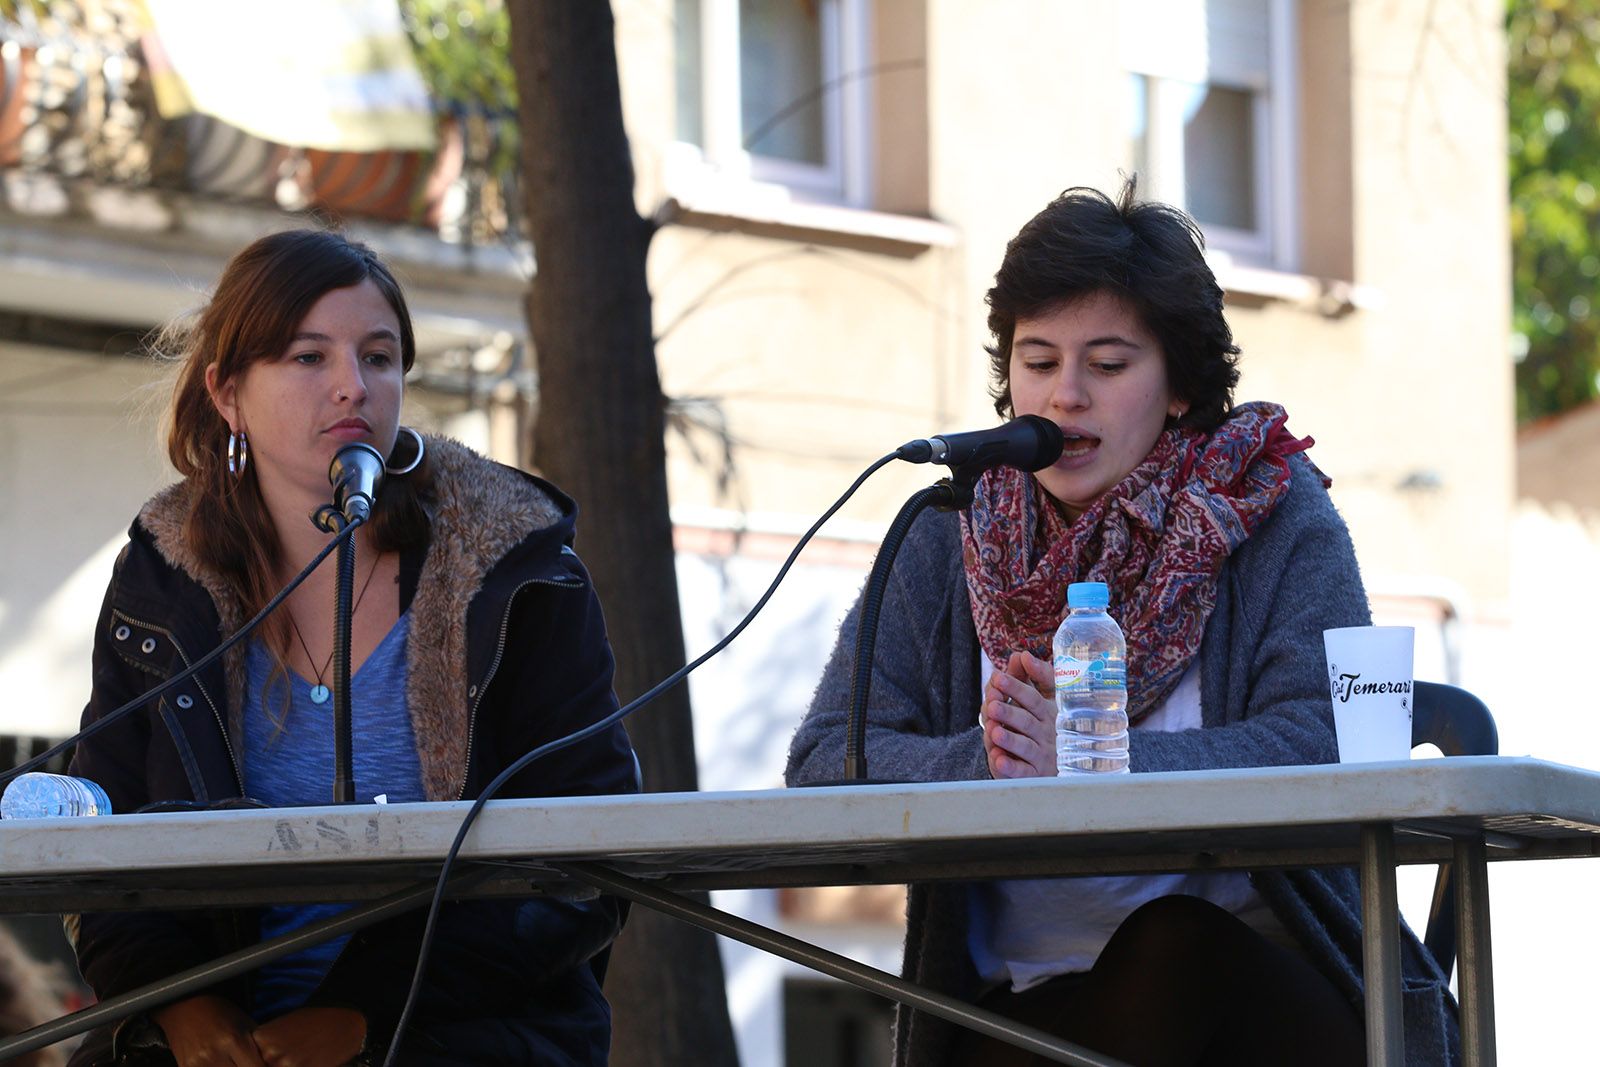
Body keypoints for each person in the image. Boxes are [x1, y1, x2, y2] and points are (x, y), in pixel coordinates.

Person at [785, 182, 1458, 1066]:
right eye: (1036, 360)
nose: (1065, 396)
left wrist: (1099, 759)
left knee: (1174, 946)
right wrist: (980, 763)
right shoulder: (947, 531)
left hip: (1270, 998)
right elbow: (824, 758)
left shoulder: (1269, 504)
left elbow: (1323, 743)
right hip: (1021, 1007)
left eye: (1106, 365)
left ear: (1178, 385)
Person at [65, 229, 638, 1067]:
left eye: (379, 357)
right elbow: (100, 845)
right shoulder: (160, 581)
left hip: (455, 1038)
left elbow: (584, 865)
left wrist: (365, 1018)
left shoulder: (520, 575)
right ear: (227, 393)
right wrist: (180, 1008)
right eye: (308, 357)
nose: (352, 386)